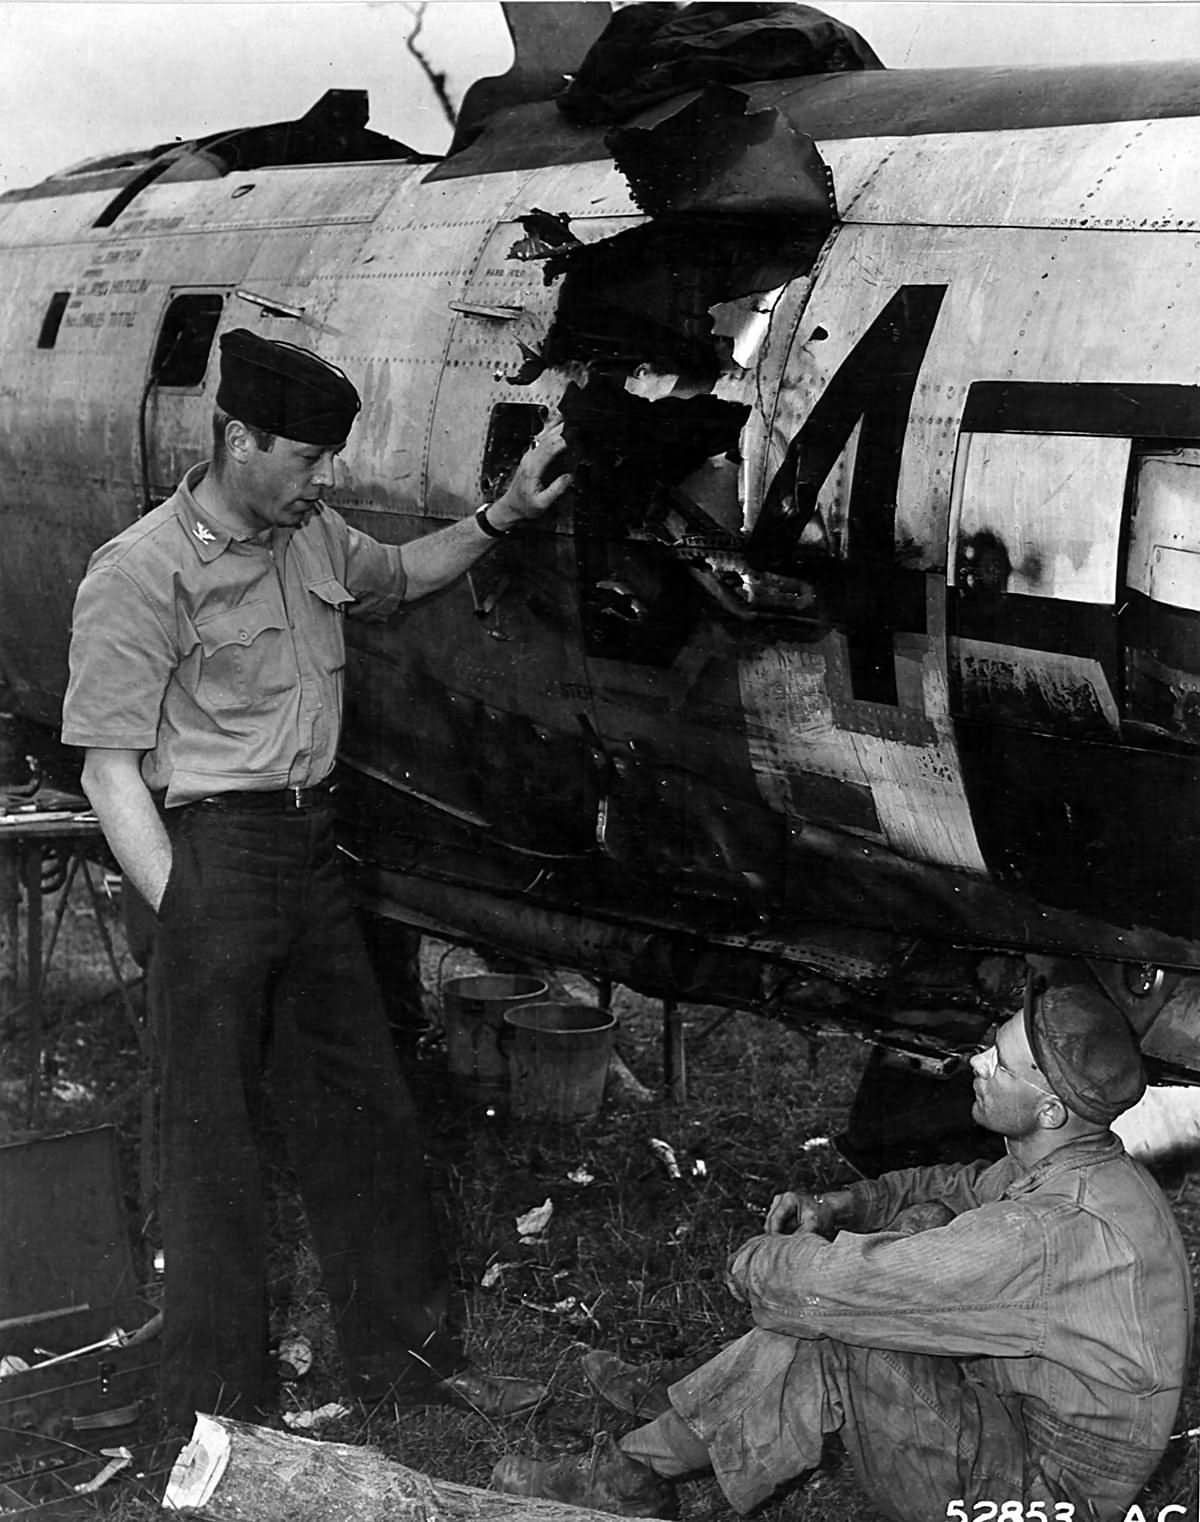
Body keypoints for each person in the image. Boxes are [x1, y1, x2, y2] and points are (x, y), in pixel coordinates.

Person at [61, 328, 572, 1428]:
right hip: (210, 862)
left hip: (310, 852)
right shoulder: (140, 573)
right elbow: (109, 774)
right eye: (303, 456)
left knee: (368, 1119)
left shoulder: (312, 534)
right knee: (211, 1147)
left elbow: (397, 579)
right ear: (238, 439)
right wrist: (189, 915)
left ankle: (409, 1370)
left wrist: (502, 518)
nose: (321, 478)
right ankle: (215, 1406)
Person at [493, 982, 1194, 1522]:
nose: (978, 1062)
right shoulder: (1082, 1167)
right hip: (1029, 1428)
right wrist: (842, 1206)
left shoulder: (1049, 1230)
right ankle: (687, 1413)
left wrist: (757, 1262)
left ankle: (633, 1476)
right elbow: (953, 1185)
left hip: (1045, 1494)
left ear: (1049, 1112)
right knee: (912, 1230)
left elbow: (836, 1289)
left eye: (1003, 1064)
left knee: (839, 1323)